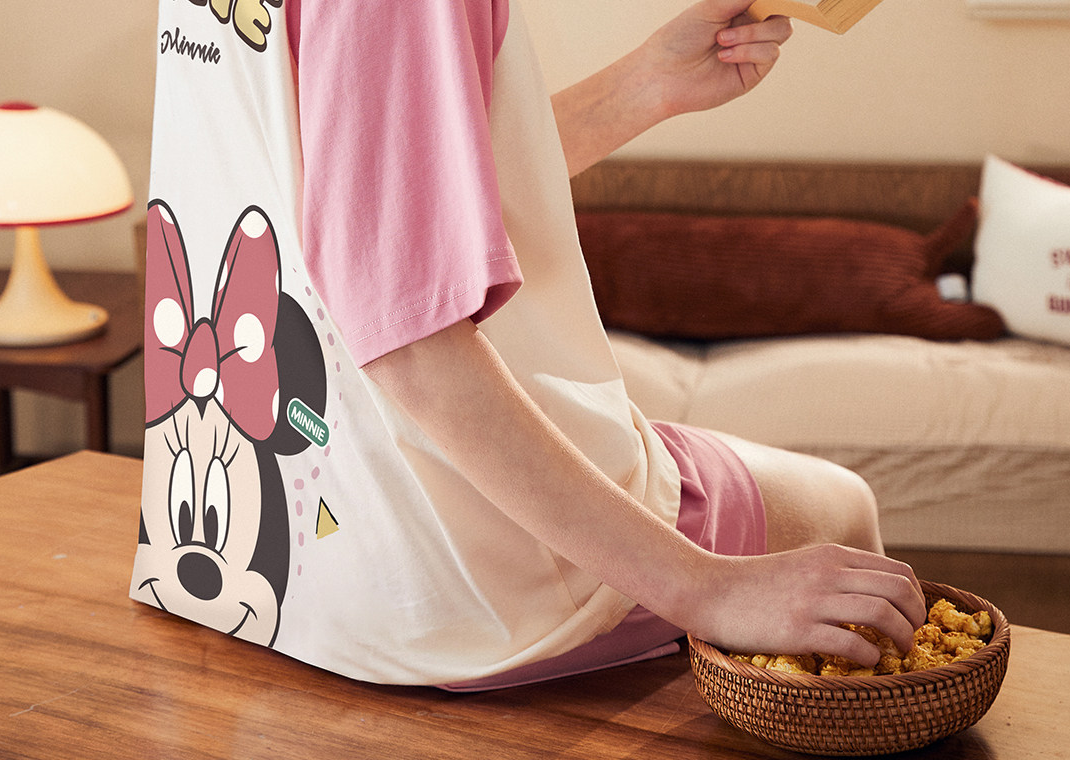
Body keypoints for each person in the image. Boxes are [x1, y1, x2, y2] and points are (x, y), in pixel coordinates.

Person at [135, 0, 925, 689]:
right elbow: (413, 349)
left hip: (262, 552)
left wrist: (644, 84)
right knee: (843, 507)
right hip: (445, 570)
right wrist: (707, 588)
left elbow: (379, 192)